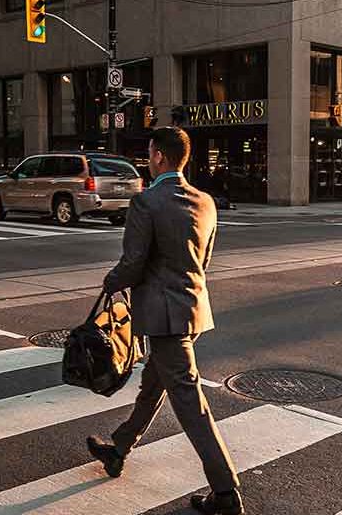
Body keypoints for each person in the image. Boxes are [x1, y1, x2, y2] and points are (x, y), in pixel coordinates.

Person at [87, 126, 243, 515]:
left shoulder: (147, 202)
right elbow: (202, 262)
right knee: (153, 385)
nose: (149, 159)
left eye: (150, 152)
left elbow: (134, 263)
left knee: (191, 403)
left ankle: (226, 493)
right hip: (192, 308)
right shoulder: (205, 201)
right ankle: (119, 449)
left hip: (163, 316)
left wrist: (112, 281)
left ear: (158, 156)